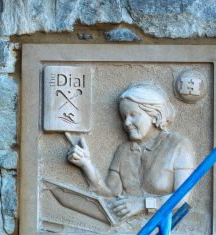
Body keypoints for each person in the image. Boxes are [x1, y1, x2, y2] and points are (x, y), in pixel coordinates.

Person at [66, 81, 196, 221]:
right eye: (124, 117)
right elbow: (109, 194)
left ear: (155, 115)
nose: (126, 123)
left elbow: (183, 198)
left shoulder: (179, 145)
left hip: (162, 229)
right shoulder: (123, 151)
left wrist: (142, 204)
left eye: (133, 115)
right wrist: (86, 165)